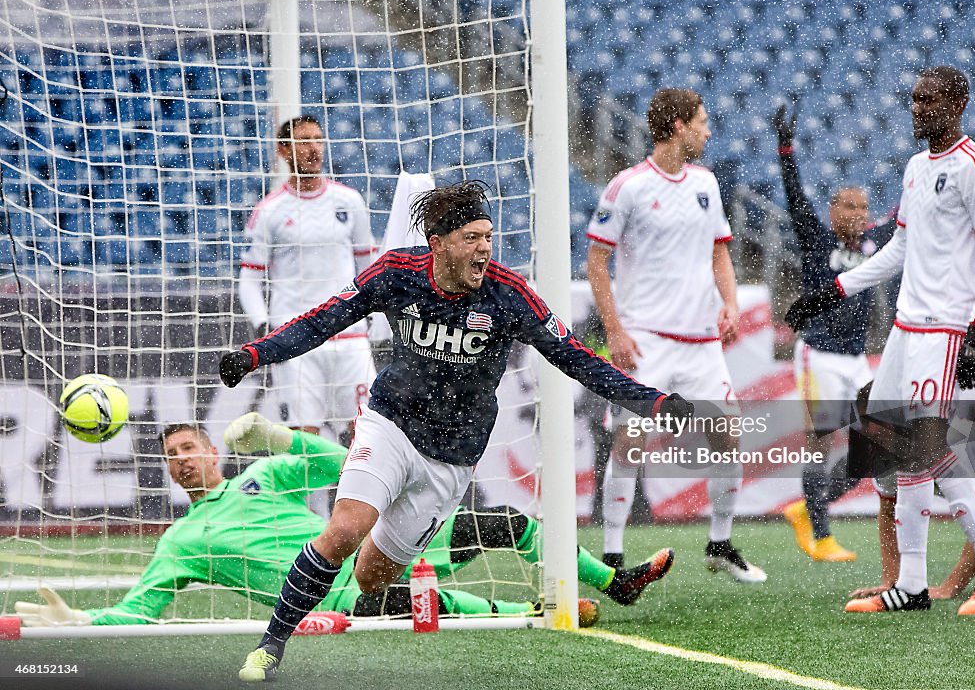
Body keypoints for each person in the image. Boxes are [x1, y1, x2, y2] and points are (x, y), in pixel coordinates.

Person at [217, 180, 693, 681]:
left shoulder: (510, 296)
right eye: (471, 238)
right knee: (344, 529)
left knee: (372, 579)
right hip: (390, 425)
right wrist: (255, 354)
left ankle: (380, 536)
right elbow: (321, 320)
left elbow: (576, 359)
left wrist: (655, 402)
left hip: (452, 458)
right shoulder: (397, 274)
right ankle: (271, 646)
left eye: (488, 236)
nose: (484, 248)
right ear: (438, 242)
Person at [14, 413, 673, 628]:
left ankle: (612, 581)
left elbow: (340, 461)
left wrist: (274, 437)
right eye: (172, 456)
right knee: (414, 598)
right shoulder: (180, 542)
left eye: (189, 448)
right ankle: (529, 613)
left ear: (212, 451)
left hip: (365, 547)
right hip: (335, 596)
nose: (182, 460)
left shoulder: (259, 476)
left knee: (503, 519)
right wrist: (82, 620)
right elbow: (140, 611)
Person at [785, 66, 975, 615]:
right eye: (912, 100)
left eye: (927, 100)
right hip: (906, 333)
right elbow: (899, 251)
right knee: (892, 450)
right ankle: (910, 584)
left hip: (944, 332)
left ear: (956, 103)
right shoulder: (915, 168)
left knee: (926, 452)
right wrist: (832, 290)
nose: (916, 109)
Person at [585, 87, 765, 583]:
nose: (709, 131)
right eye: (703, 122)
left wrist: (729, 304)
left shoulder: (706, 183)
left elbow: (719, 252)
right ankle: (613, 558)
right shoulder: (628, 187)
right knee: (630, 443)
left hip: (702, 342)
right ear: (680, 126)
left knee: (728, 436)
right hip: (647, 339)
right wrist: (616, 331)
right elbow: (597, 262)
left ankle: (721, 543)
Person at [772, 104, 896, 563]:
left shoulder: (873, 245)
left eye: (864, 207)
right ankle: (821, 534)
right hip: (819, 353)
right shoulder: (817, 240)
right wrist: (786, 150)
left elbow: (905, 210)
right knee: (822, 437)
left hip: (857, 358)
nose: (859, 214)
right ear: (833, 210)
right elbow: (794, 197)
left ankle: (808, 509)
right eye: (850, 206)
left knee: (878, 444)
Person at [237, 115, 376, 438]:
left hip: (349, 335)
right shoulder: (269, 210)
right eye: (304, 141)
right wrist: (263, 326)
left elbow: (369, 266)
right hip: (297, 339)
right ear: (284, 151)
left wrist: (373, 314)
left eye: (318, 139)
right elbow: (249, 280)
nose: (314, 149)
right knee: (303, 442)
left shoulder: (349, 200)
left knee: (366, 435)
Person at [847, 382, 975, 602]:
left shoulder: (944, 440)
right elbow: (889, 514)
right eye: (865, 421)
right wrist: (890, 582)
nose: (870, 430)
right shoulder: (887, 451)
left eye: (878, 419)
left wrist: (950, 588)